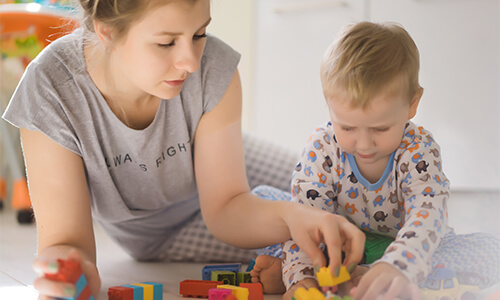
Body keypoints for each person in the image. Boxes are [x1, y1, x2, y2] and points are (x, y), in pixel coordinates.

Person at [2, 0, 367, 298]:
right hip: (166, 230)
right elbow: (67, 242)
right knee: (341, 243)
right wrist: (69, 274)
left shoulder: (211, 68)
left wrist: (292, 214)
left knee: (360, 203)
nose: (191, 62)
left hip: (230, 181)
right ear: (107, 32)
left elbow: (228, 200)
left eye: (200, 33)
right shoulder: (52, 90)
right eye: (165, 43)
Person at [250, 21, 500, 300]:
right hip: (338, 248)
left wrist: (398, 266)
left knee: (492, 250)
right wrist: (301, 276)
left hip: (403, 246)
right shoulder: (322, 145)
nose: (364, 144)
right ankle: (310, 276)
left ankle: (373, 277)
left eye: (380, 129)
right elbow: (306, 218)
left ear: (412, 104)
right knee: (264, 202)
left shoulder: (419, 149)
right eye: (347, 128)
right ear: (329, 104)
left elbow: (425, 219)